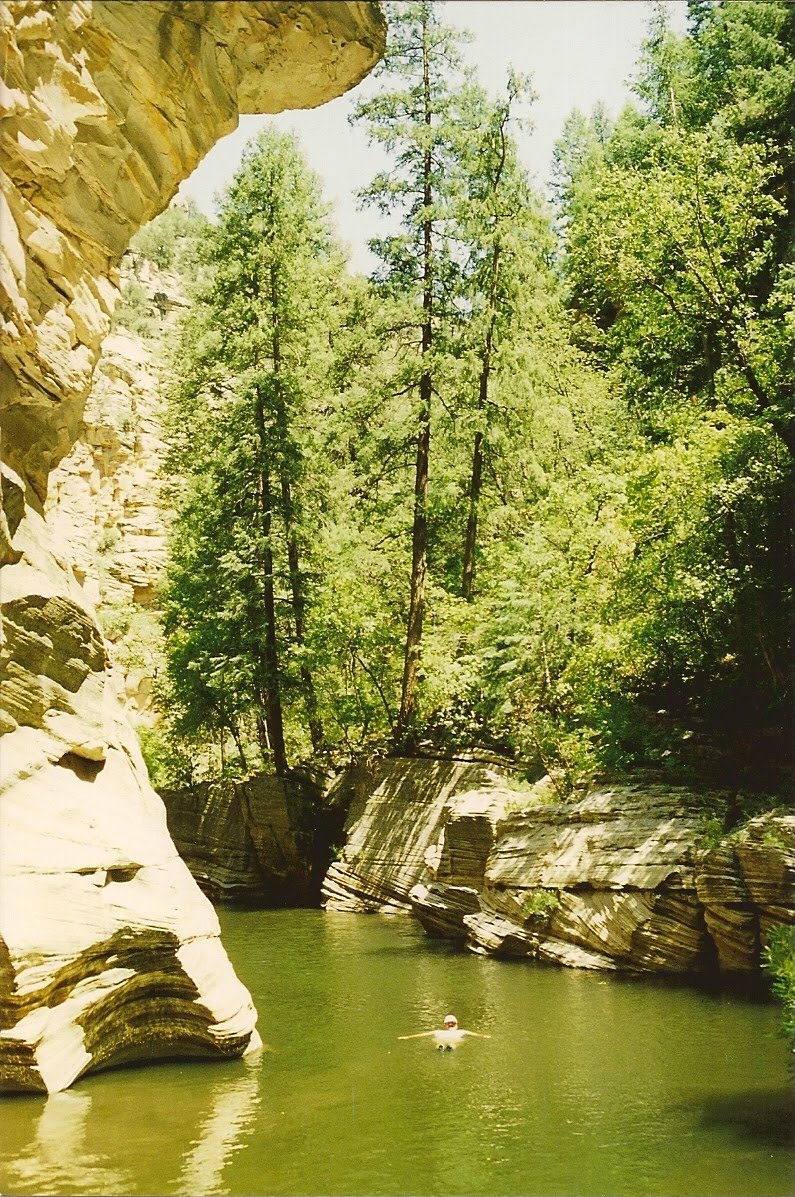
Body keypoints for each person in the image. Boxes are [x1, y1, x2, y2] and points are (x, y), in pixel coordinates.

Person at [398, 1014, 491, 1050]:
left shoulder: (438, 1032)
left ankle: (440, 1046)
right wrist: (484, 1036)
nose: (451, 1025)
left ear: (445, 1025)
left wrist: (408, 1037)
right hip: (455, 1039)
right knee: (455, 1044)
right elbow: (474, 1035)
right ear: (457, 1024)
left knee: (439, 1042)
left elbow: (423, 1035)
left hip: (441, 1038)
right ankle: (451, 1047)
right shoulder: (461, 1032)